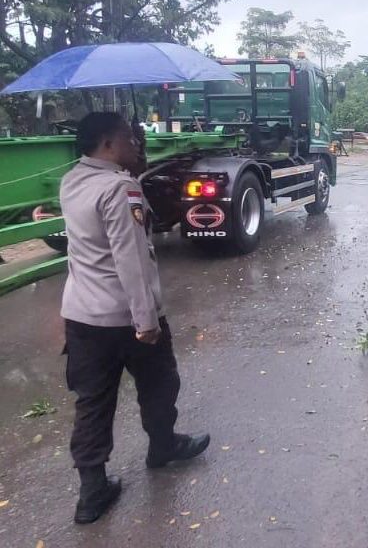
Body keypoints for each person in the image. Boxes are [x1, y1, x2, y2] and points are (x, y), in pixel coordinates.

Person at [59, 112, 209, 524]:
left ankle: (92, 492)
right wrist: (146, 321)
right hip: (125, 315)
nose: (136, 143)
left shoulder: (71, 181)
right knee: (160, 382)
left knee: (92, 402)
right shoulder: (120, 189)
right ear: (108, 144)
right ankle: (163, 446)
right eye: (128, 137)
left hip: (81, 316)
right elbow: (132, 260)